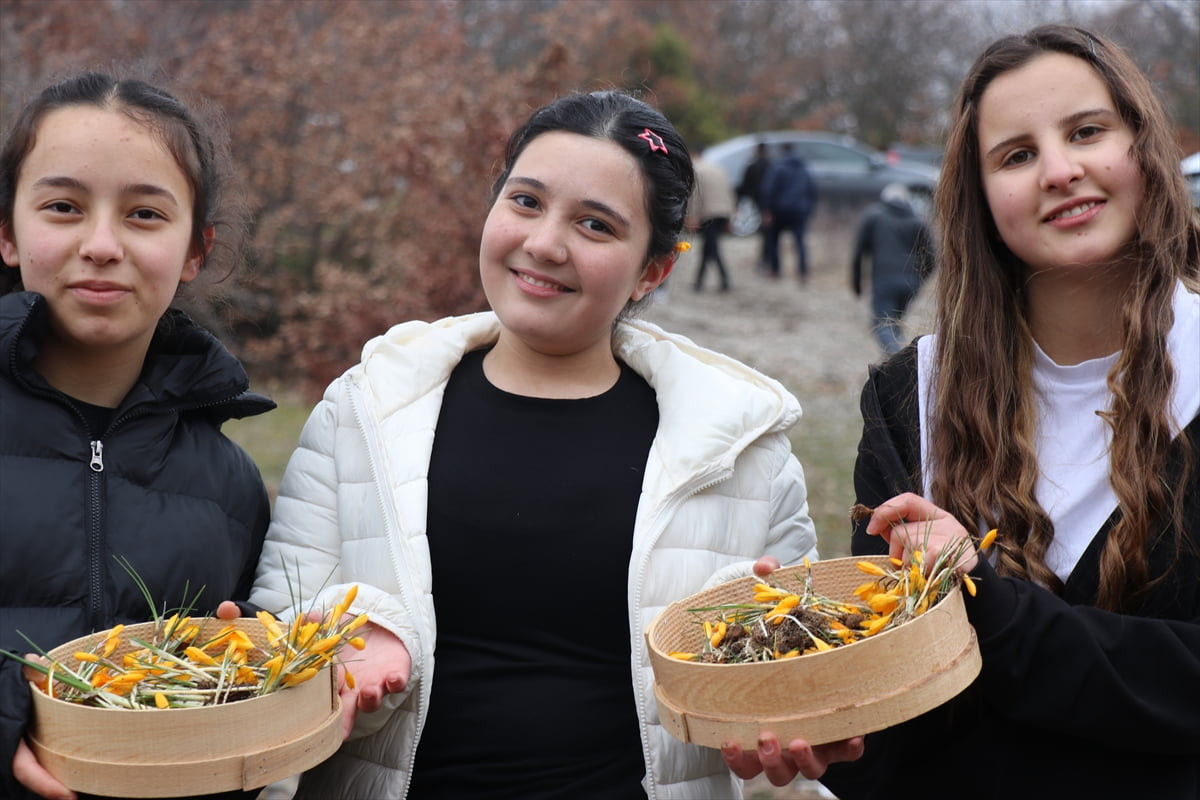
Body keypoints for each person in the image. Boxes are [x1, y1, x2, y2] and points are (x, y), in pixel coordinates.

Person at [246, 90, 819, 799]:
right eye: (525, 202)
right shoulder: (362, 411)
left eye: (595, 225)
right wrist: (355, 642)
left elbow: (796, 679)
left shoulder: (741, 447)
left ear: (654, 271)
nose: (545, 242)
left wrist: (780, 719)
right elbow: (274, 634)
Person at [723, 24, 1200, 798]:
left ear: (1144, 146)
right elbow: (901, 722)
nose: (1059, 170)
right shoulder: (911, 392)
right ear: (979, 197)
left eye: (1086, 131)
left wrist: (982, 599)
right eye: (1016, 155)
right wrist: (818, 695)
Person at [0, 72, 274, 800]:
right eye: (63, 207)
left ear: (195, 250)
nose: (100, 244)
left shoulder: (231, 484)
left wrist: (235, 674)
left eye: (145, 214)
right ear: (6, 231)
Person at [849, 183, 934, 355]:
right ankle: (898, 366)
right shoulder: (917, 221)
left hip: (885, 278)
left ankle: (897, 359)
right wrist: (919, 281)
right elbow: (931, 259)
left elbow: (859, 252)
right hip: (910, 282)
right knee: (895, 321)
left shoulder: (874, 216)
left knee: (882, 323)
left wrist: (857, 284)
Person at [761, 141, 818, 282]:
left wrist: (767, 210)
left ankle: (775, 270)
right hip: (799, 210)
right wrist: (808, 210)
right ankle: (803, 272)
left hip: (779, 210)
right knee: (799, 242)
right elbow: (812, 192)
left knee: (774, 241)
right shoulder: (803, 169)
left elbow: (769, 190)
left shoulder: (777, 167)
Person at [687, 154, 736, 292]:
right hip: (723, 212)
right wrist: (731, 214)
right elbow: (729, 191)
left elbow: (696, 195)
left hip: (709, 214)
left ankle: (721, 280)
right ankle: (701, 281)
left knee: (712, 247)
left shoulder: (696, 170)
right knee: (710, 247)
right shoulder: (719, 169)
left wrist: (692, 216)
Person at [737, 140, 771, 270]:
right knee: (769, 233)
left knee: (764, 232)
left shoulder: (752, 166)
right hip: (770, 204)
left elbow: (744, 186)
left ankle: (764, 260)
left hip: (756, 202)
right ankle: (767, 260)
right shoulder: (772, 165)